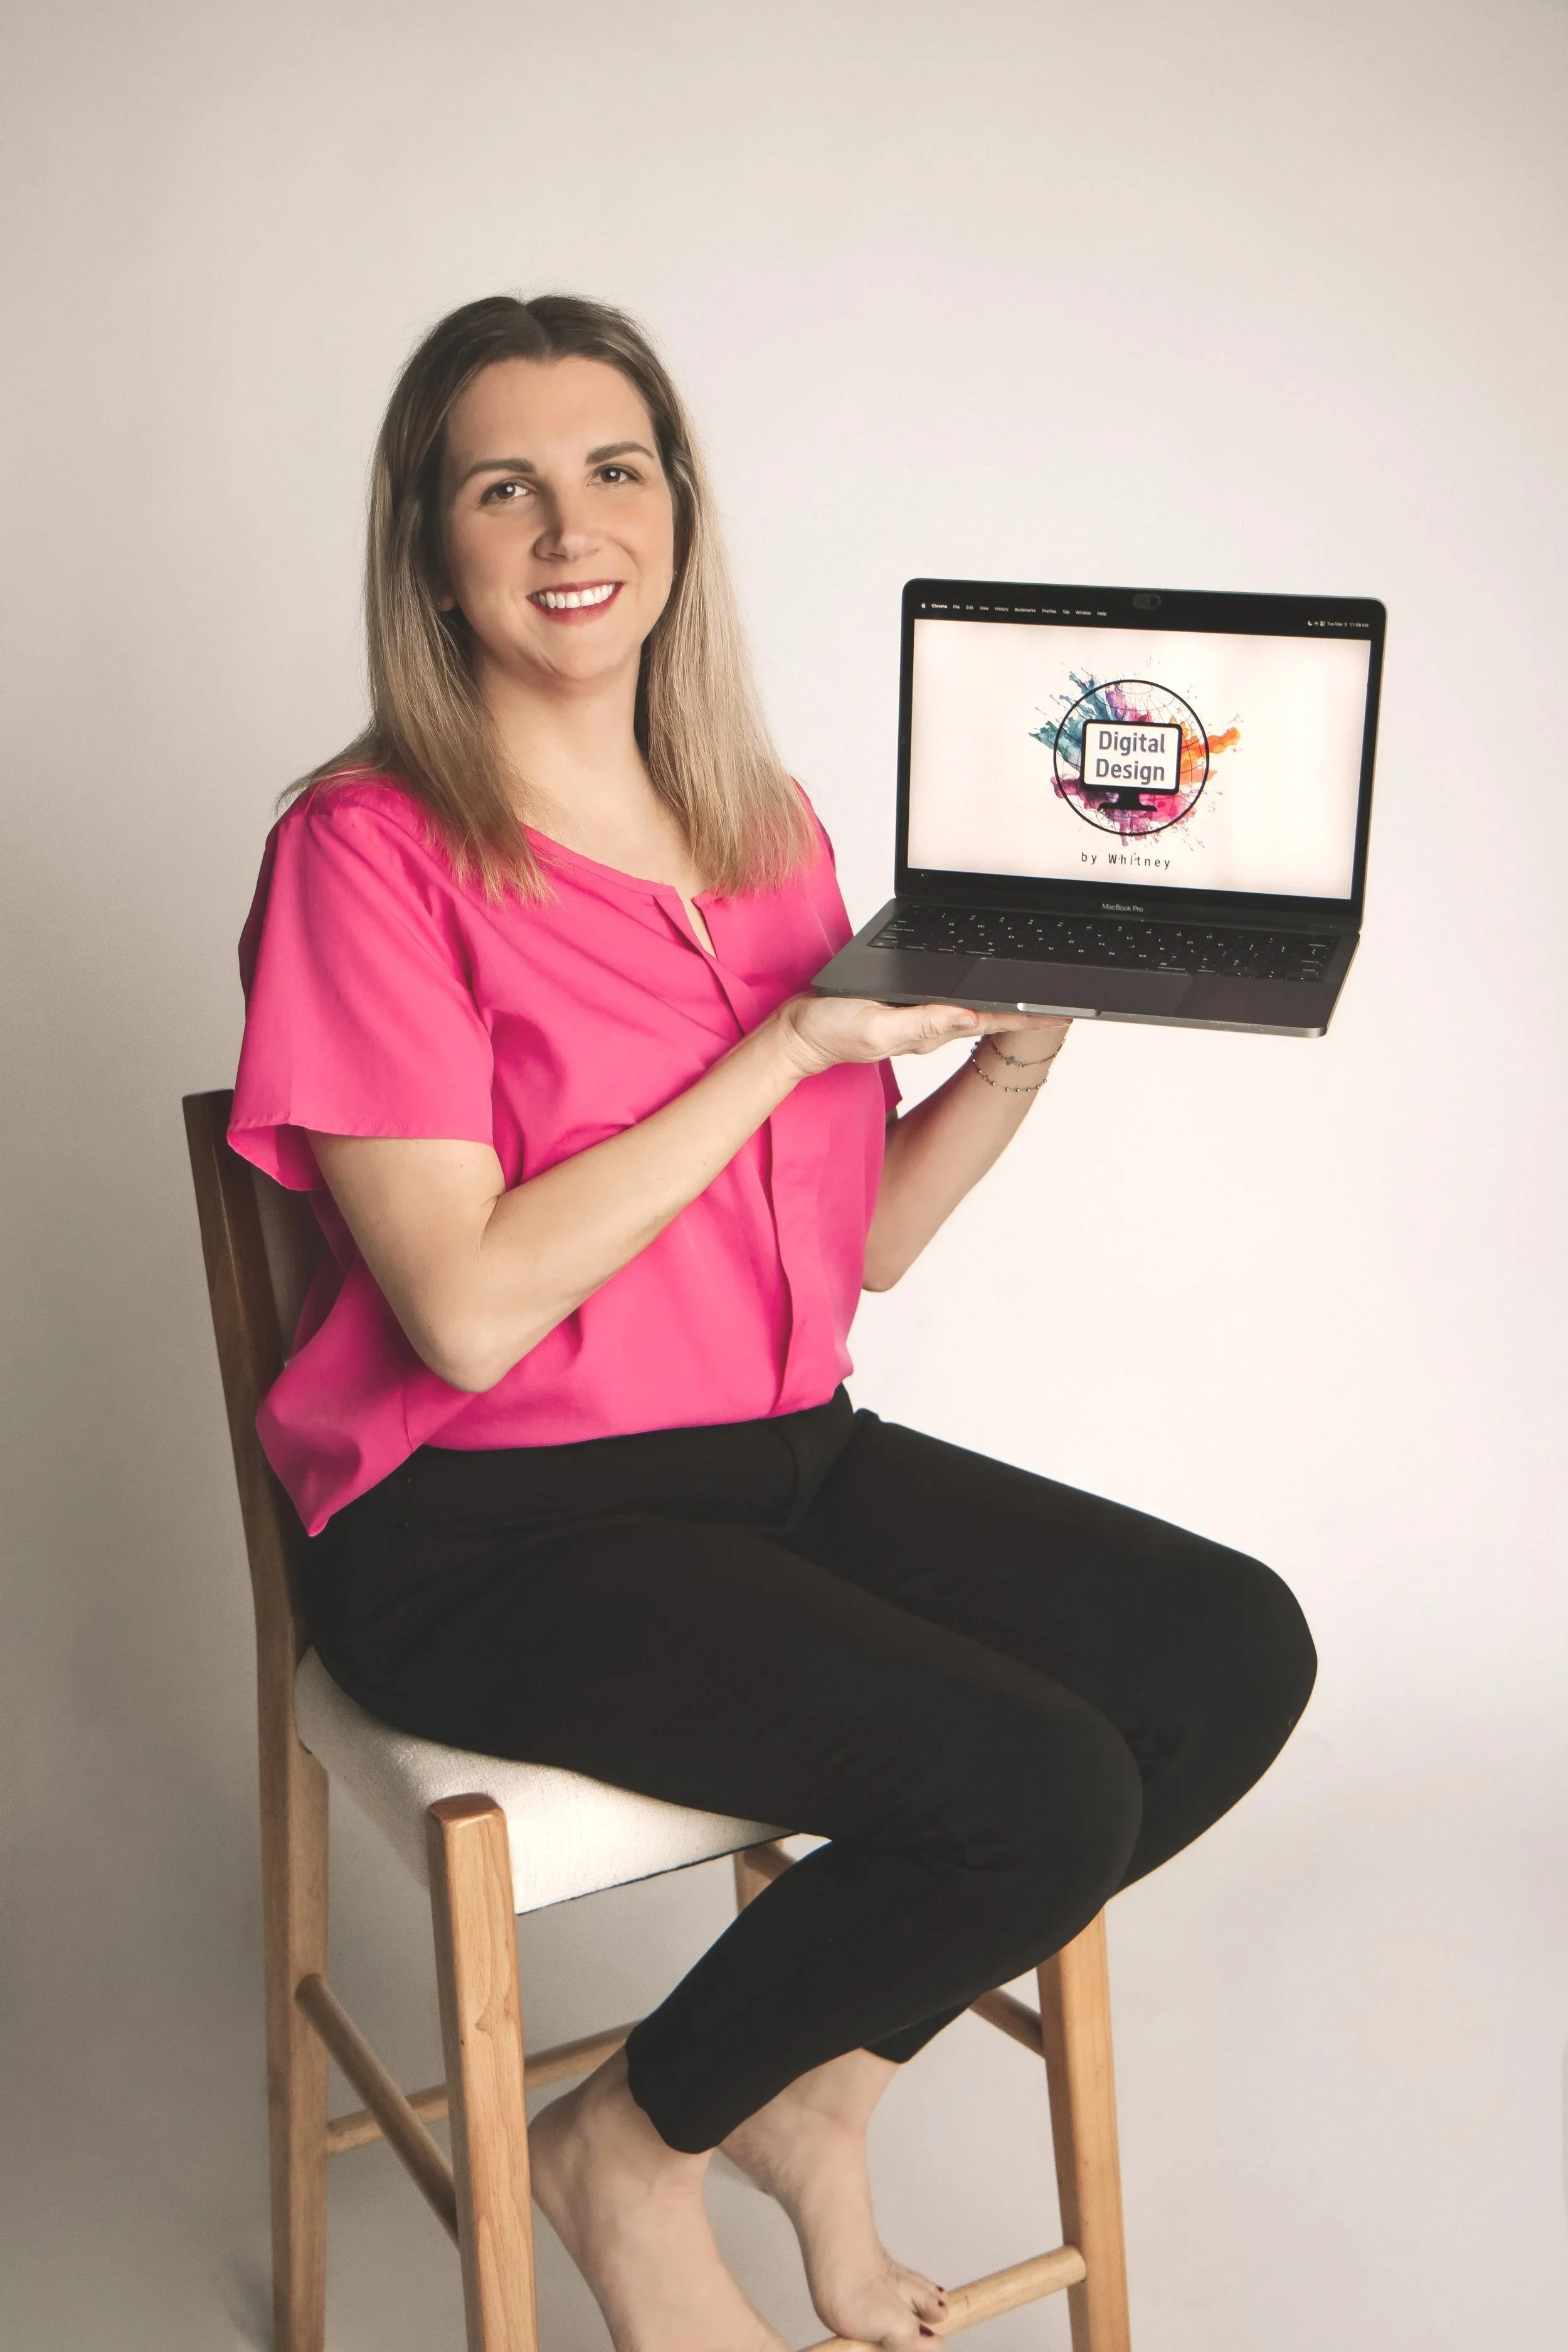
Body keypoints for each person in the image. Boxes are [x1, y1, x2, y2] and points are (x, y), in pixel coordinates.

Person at [230, 293, 1316, 2352]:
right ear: (430, 548)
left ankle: (813, 2090)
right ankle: (624, 2152)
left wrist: (1012, 1053)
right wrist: (782, 1047)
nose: (573, 526)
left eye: (614, 469)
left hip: (775, 1462)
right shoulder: (365, 852)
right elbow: (461, 1310)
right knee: (1037, 1783)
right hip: (483, 1526)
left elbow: (860, 1243)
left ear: (679, 509)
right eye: (504, 487)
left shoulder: (764, 829)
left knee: (1222, 1651)